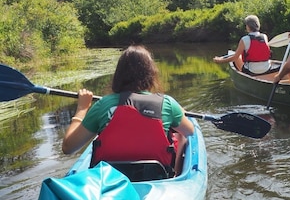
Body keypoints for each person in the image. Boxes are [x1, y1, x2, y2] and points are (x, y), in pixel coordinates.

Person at [62, 45, 194, 176]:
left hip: (108, 179)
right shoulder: (168, 103)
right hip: (156, 177)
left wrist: (82, 108)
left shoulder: (103, 105)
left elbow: (69, 148)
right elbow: (190, 131)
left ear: (118, 75)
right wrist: (180, 114)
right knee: (180, 133)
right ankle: (175, 175)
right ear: (151, 74)